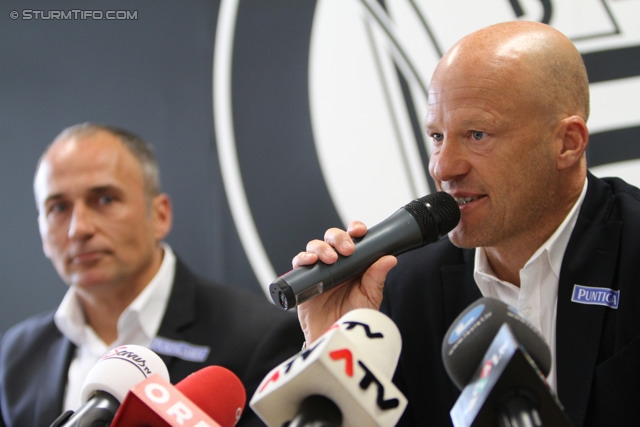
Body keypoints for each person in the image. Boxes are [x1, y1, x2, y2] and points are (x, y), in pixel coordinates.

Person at [292, 21, 640, 426]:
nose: (443, 167)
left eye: (478, 134)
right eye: (437, 136)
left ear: (567, 143)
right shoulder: (401, 291)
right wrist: (333, 355)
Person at [0, 123, 304, 427]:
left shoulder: (256, 338)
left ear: (159, 216)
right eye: (58, 208)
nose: (78, 228)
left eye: (105, 199)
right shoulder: (19, 353)